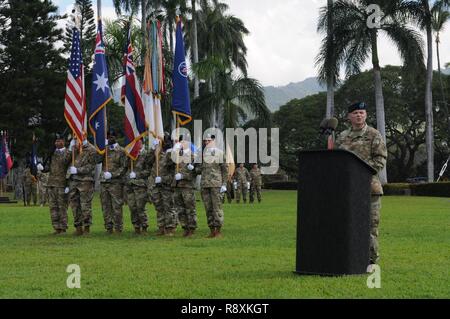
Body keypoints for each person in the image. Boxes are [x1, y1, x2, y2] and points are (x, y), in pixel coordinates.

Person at [335, 102, 387, 268]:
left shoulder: (374, 135)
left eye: (362, 112)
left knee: (370, 226)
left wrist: (359, 170)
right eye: (356, 112)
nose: (359, 115)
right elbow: (336, 160)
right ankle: (350, 258)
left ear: (366, 115)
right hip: (347, 189)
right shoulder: (342, 136)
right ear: (349, 116)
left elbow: (380, 160)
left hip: (369, 188)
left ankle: (371, 261)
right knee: (347, 224)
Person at [67, 134, 101, 236]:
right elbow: (65, 161)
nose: (76, 139)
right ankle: (78, 227)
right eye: (75, 137)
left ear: (84, 136)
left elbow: (91, 166)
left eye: (78, 136)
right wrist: (70, 149)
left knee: (85, 205)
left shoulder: (91, 150)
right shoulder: (74, 148)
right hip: (73, 181)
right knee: (74, 205)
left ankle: (86, 228)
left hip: (85, 181)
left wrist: (78, 170)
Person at [38, 133, 71, 234]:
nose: (57, 143)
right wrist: (43, 168)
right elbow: (49, 167)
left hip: (62, 184)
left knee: (62, 207)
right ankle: (56, 227)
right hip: (51, 183)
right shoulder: (52, 153)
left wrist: (68, 184)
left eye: (59, 141)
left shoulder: (68, 152)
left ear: (63, 142)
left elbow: (68, 166)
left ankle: (63, 227)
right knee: (53, 207)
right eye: (56, 141)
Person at [197, 134, 228, 238]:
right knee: (208, 208)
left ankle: (218, 230)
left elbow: (224, 169)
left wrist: (224, 184)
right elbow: (200, 169)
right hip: (205, 184)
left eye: (208, 141)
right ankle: (212, 230)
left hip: (216, 184)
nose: (206, 143)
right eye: (205, 141)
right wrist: (192, 167)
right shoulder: (202, 154)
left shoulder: (219, 153)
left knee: (217, 207)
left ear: (213, 141)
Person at [149, 134, 177, 236]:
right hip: (156, 184)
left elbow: (174, 165)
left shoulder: (171, 154)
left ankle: (170, 228)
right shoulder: (157, 153)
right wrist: (153, 149)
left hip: (167, 184)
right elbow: (148, 161)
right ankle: (161, 227)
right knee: (159, 206)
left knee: (168, 206)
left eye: (164, 141)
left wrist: (171, 151)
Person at [100, 130, 128, 234]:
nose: (110, 138)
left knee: (116, 206)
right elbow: (97, 160)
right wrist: (102, 149)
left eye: (112, 136)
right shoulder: (104, 150)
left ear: (116, 137)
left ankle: (118, 228)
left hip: (115, 182)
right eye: (108, 136)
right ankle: (108, 228)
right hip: (104, 182)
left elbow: (124, 167)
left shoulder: (121, 151)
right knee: (105, 206)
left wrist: (113, 174)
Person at [171, 139, 198, 237]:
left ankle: (192, 228)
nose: (181, 143)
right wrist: (174, 149)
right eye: (180, 142)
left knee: (190, 208)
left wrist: (183, 176)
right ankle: (185, 227)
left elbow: (195, 172)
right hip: (177, 185)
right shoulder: (177, 155)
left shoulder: (193, 156)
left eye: (183, 142)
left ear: (188, 143)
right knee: (180, 209)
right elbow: (169, 162)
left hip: (187, 186)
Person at [126, 144, 154, 234]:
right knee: (132, 207)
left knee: (140, 207)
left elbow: (149, 170)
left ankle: (144, 226)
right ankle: (136, 227)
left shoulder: (146, 154)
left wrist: (137, 175)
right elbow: (125, 166)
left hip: (140, 185)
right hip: (130, 184)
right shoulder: (130, 153)